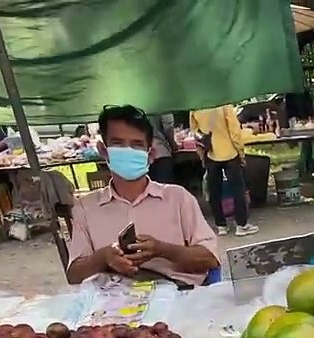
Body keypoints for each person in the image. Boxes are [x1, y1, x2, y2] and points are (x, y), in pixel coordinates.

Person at [65, 105, 219, 287]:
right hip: (114, 303)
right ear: (103, 150)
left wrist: (163, 250)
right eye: (118, 144)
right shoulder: (86, 207)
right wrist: (103, 257)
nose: (127, 151)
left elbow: (210, 259)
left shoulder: (178, 198)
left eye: (136, 145)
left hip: (176, 296)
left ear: (150, 154)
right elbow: (73, 275)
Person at [189, 104, 258, 237]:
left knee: (214, 190)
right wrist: (241, 152)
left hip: (210, 153)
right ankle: (241, 225)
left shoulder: (195, 106)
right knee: (237, 189)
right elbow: (234, 131)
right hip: (230, 152)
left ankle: (221, 225)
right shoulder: (225, 105)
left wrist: (201, 154)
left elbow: (195, 133)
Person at [148, 114, 176, 184]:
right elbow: (168, 129)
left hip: (139, 154)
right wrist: (173, 145)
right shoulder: (163, 106)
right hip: (161, 152)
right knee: (165, 190)